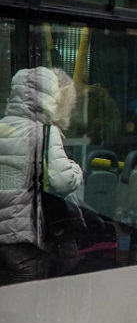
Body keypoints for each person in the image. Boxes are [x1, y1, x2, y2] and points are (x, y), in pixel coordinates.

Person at [0, 66, 84, 285]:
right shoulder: (45, 132)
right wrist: (76, 169)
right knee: (30, 302)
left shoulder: (2, 127)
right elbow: (62, 181)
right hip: (26, 241)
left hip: (3, 239)